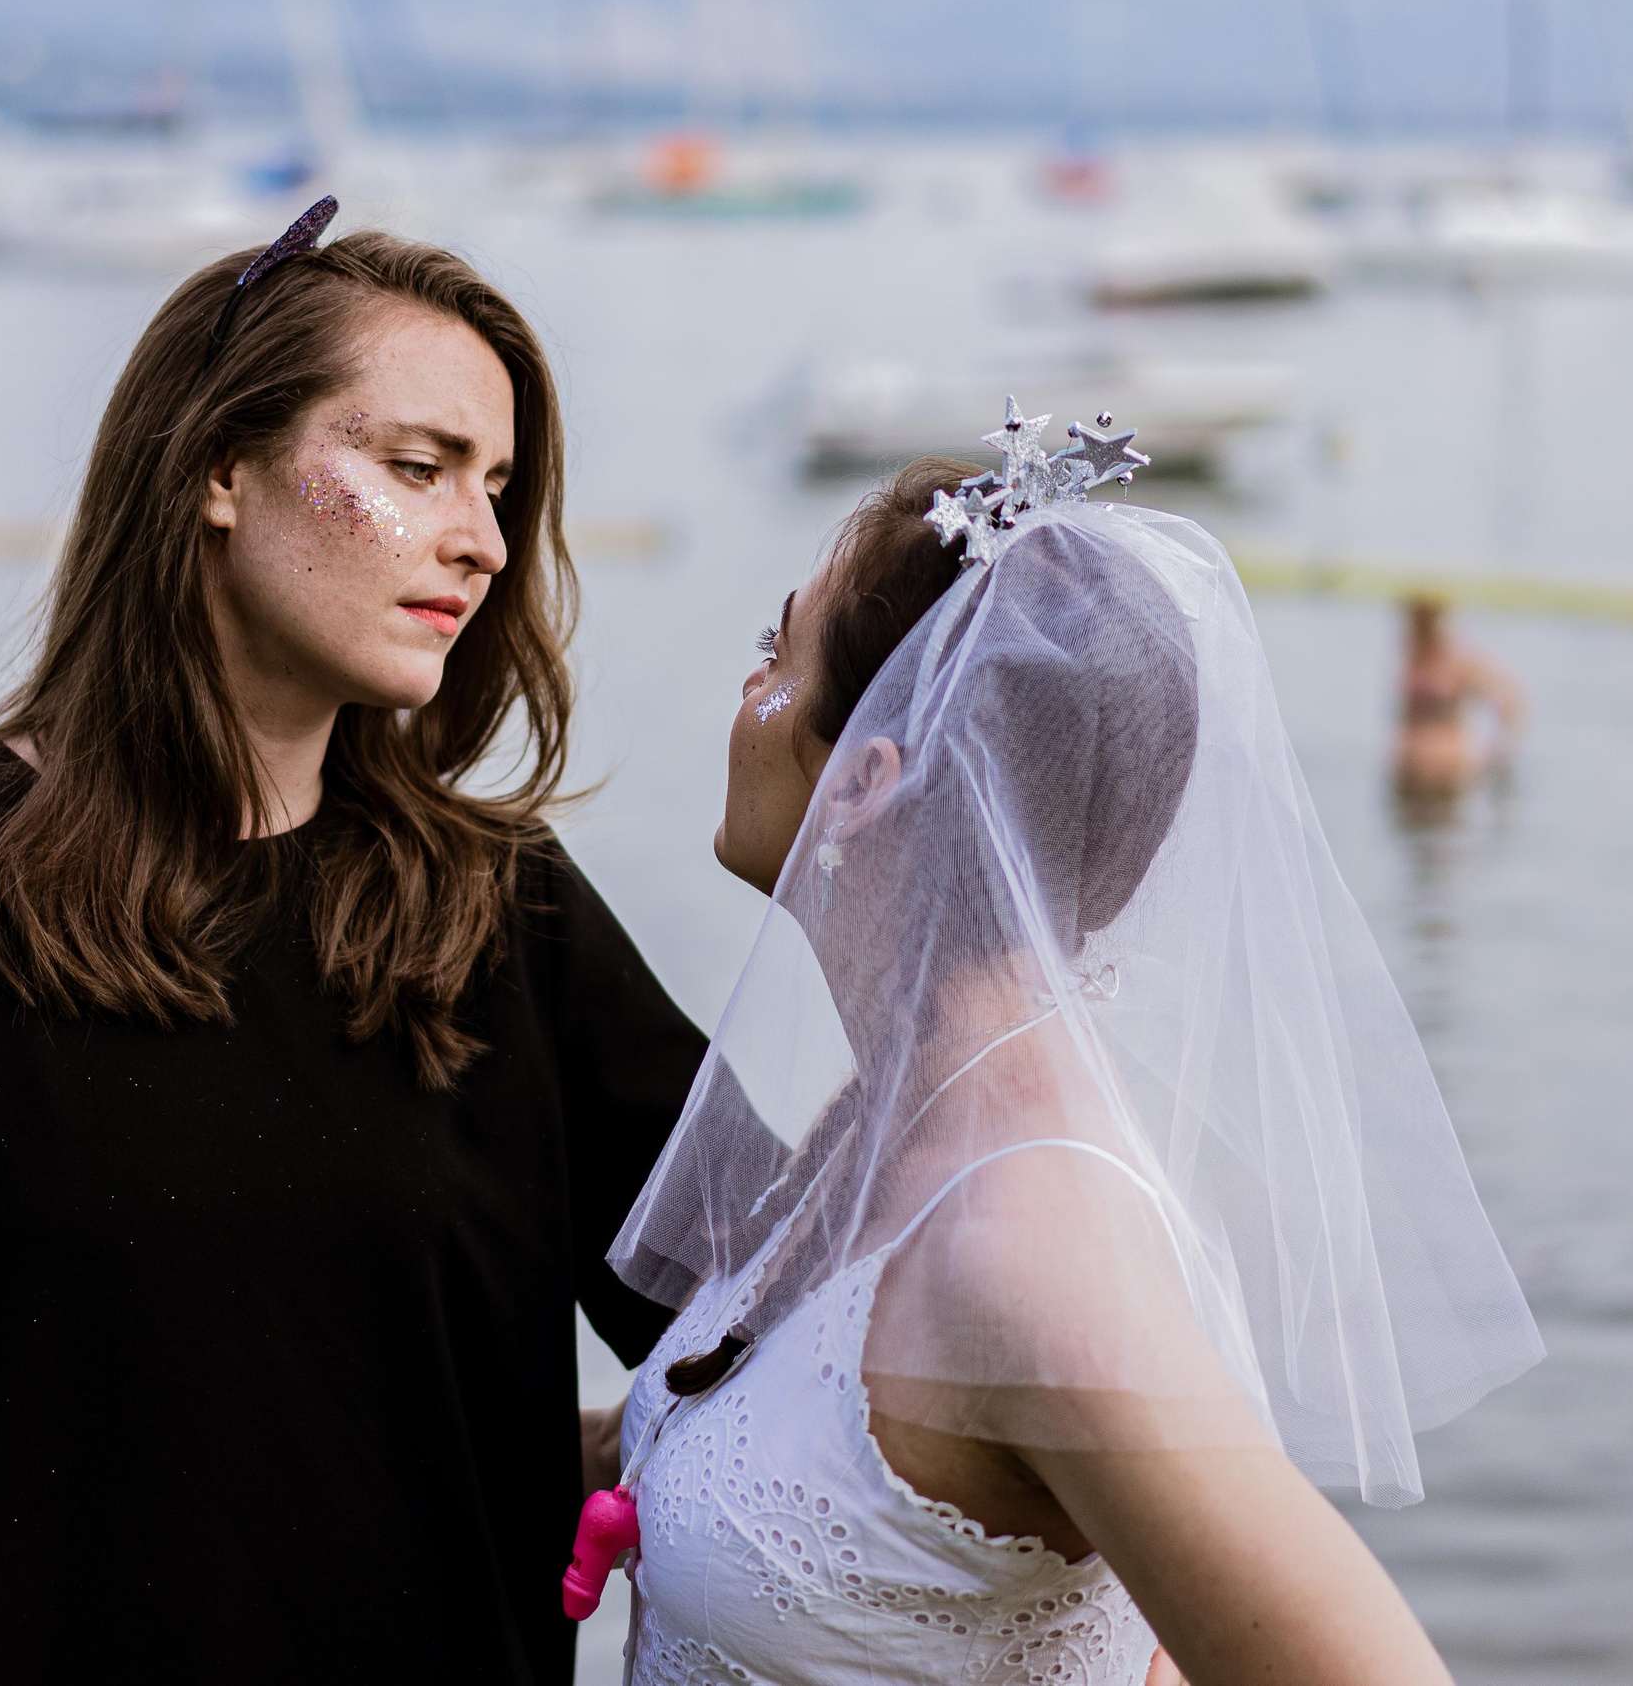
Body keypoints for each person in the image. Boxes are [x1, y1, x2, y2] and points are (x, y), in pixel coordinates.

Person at [0, 205, 709, 1686]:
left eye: (497, 487)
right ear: (216, 470)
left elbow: (782, 1319)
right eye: (416, 466)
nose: (484, 542)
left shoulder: (504, 908)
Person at [597, 431, 1544, 1685]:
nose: (746, 688)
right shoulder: (877, 1128)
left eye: (776, 653)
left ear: (868, 780)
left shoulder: (1026, 1248)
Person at [1393, 593, 1525, 806]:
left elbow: (1510, 701)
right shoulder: (1411, 654)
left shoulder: (1458, 658)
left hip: (1447, 773)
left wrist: (1500, 754)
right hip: (1408, 773)